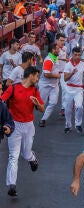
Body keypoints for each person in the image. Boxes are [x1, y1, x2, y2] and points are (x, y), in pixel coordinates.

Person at [1, 66, 44, 197]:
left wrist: (37, 103)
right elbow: (2, 100)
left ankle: (32, 158)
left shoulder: (35, 91)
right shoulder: (13, 88)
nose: (37, 79)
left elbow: (42, 109)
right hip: (14, 125)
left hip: (29, 126)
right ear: (30, 75)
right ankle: (11, 185)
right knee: (13, 156)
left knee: (26, 154)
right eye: (36, 76)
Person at [38, 43, 61, 127]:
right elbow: (46, 74)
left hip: (54, 85)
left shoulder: (55, 57)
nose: (59, 50)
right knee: (41, 105)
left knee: (53, 103)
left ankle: (43, 119)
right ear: (53, 50)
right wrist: (57, 76)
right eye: (58, 49)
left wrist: (64, 59)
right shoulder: (48, 60)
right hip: (45, 85)